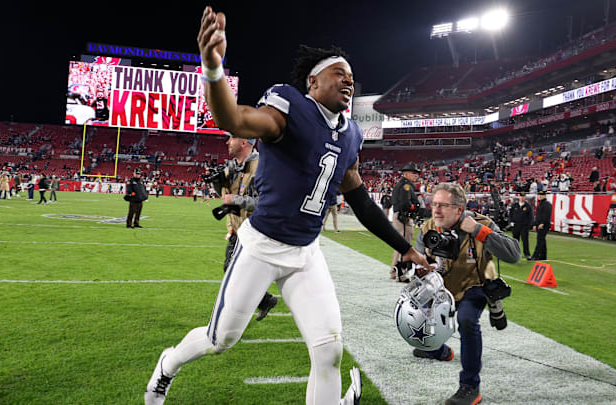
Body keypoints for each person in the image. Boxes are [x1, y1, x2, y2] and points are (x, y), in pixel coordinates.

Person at [144, 8, 429, 405]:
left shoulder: (351, 135)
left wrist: (404, 247)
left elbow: (361, 200)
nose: (348, 79)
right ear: (313, 81)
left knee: (328, 349)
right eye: (338, 73)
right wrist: (212, 67)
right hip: (261, 246)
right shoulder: (289, 107)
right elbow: (233, 117)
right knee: (220, 339)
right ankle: (167, 366)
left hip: (306, 251)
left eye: (351, 75)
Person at [412, 182, 520, 405]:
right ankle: (438, 351)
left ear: (459, 209)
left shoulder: (481, 223)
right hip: (442, 286)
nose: (437, 210)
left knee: (467, 320)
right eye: (434, 204)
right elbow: (419, 261)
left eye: (443, 205)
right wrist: (418, 268)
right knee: (415, 313)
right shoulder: (428, 228)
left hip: (474, 284)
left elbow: (514, 254)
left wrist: (480, 232)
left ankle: (470, 386)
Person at [207, 133, 278, 321]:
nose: (227, 142)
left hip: (256, 230)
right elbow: (225, 195)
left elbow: (264, 203)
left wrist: (235, 199)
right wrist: (217, 182)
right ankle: (263, 300)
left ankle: (235, 314)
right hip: (238, 228)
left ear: (244, 142)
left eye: (232, 138)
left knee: (234, 270)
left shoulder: (261, 166)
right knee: (232, 269)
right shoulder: (233, 167)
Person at [390, 162, 421, 282]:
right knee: (405, 246)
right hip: (403, 218)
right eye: (413, 173)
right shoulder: (406, 186)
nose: (416, 176)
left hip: (400, 216)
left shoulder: (403, 184)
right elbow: (405, 203)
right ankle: (400, 274)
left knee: (399, 246)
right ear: (406, 174)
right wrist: (414, 208)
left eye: (417, 174)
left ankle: (394, 271)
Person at [510, 192, 533, 259]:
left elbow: (530, 217)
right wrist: (510, 222)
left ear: (525, 197)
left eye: (523, 196)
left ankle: (527, 254)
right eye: (521, 196)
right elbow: (510, 214)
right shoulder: (515, 205)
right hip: (515, 225)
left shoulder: (528, 206)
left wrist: (528, 226)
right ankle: (515, 254)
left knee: (525, 241)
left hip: (524, 226)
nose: (522, 198)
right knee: (515, 241)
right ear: (519, 197)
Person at [530, 190, 552, 260]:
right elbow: (537, 216)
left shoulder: (547, 204)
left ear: (545, 196)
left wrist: (542, 223)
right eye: (539, 195)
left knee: (540, 240)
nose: (540, 196)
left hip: (544, 225)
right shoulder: (540, 204)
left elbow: (546, 215)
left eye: (541, 195)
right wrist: (534, 224)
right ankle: (543, 256)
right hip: (540, 224)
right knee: (542, 240)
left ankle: (535, 256)